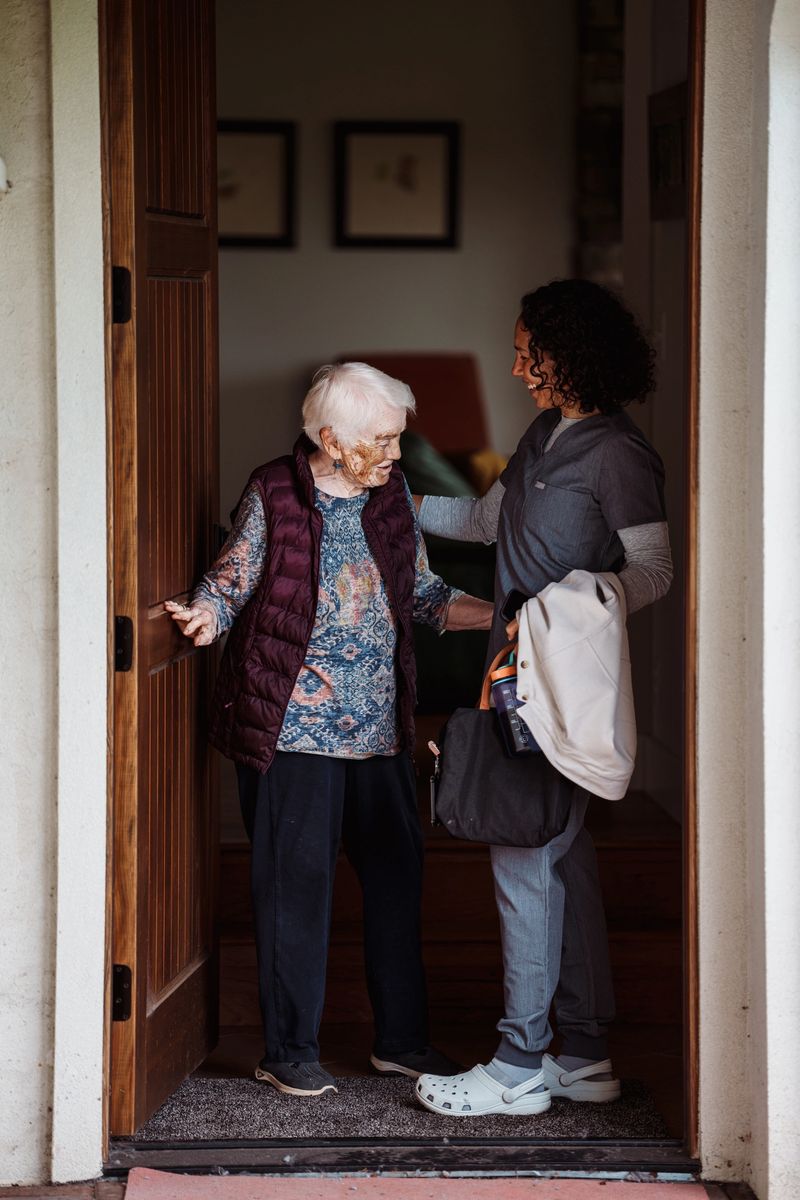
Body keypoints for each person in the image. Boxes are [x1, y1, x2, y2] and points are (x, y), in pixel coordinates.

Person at [167, 362, 493, 1098]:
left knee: (395, 882)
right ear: (329, 437)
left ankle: (403, 1042)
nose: (395, 454)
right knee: (294, 889)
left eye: (396, 439)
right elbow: (232, 579)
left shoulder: (391, 498)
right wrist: (204, 616)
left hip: (380, 730)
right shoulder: (276, 492)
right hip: (292, 732)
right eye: (381, 440)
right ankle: (287, 1051)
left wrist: (511, 612)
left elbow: (426, 594)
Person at [413, 279, 673, 1117]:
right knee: (565, 858)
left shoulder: (620, 455)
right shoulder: (541, 432)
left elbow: (655, 573)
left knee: (523, 857)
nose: (520, 367)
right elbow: (490, 524)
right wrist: (392, 497)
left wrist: (564, 616)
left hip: (556, 685)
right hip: (509, 677)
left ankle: (520, 1062)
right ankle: (585, 1052)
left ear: (576, 355)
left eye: (534, 353)